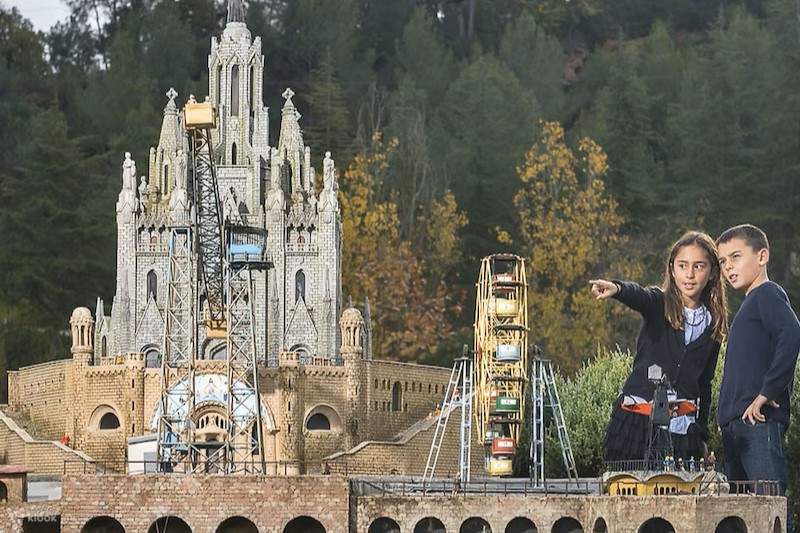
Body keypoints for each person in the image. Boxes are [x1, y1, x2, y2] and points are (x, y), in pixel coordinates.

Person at [590, 231, 728, 463]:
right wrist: (618, 289)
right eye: (682, 265)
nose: (690, 274)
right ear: (672, 269)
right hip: (638, 421)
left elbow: (705, 384)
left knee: (676, 492)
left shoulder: (713, 324)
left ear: (713, 272)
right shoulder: (659, 304)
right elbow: (640, 296)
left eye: (699, 266)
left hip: (683, 427)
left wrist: (701, 432)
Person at [716, 224, 800, 500]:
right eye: (723, 261)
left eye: (736, 257)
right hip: (735, 426)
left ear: (762, 256)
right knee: (737, 515)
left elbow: (792, 334)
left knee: (768, 508)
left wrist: (768, 391)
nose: (729, 267)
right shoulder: (748, 306)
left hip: (758, 422)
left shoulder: (768, 294)